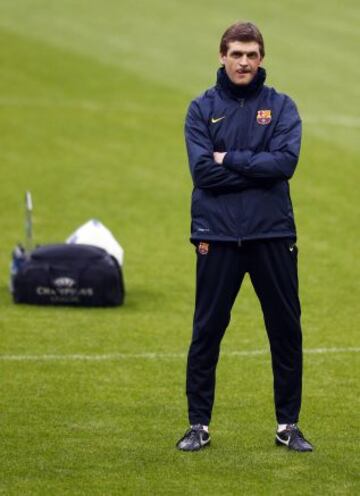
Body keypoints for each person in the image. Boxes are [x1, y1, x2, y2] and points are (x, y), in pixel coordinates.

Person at [176, 21, 313, 452]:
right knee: (208, 330)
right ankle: (199, 425)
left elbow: (285, 165)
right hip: (215, 236)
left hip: (271, 233)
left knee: (286, 330)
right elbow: (202, 172)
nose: (244, 62)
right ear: (222, 56)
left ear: (262, 58)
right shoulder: (201, 109)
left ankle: (287, 426)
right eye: (236, 53)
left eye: (252, 54)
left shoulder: (282, 107)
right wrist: (256, 169)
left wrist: (229, 159)